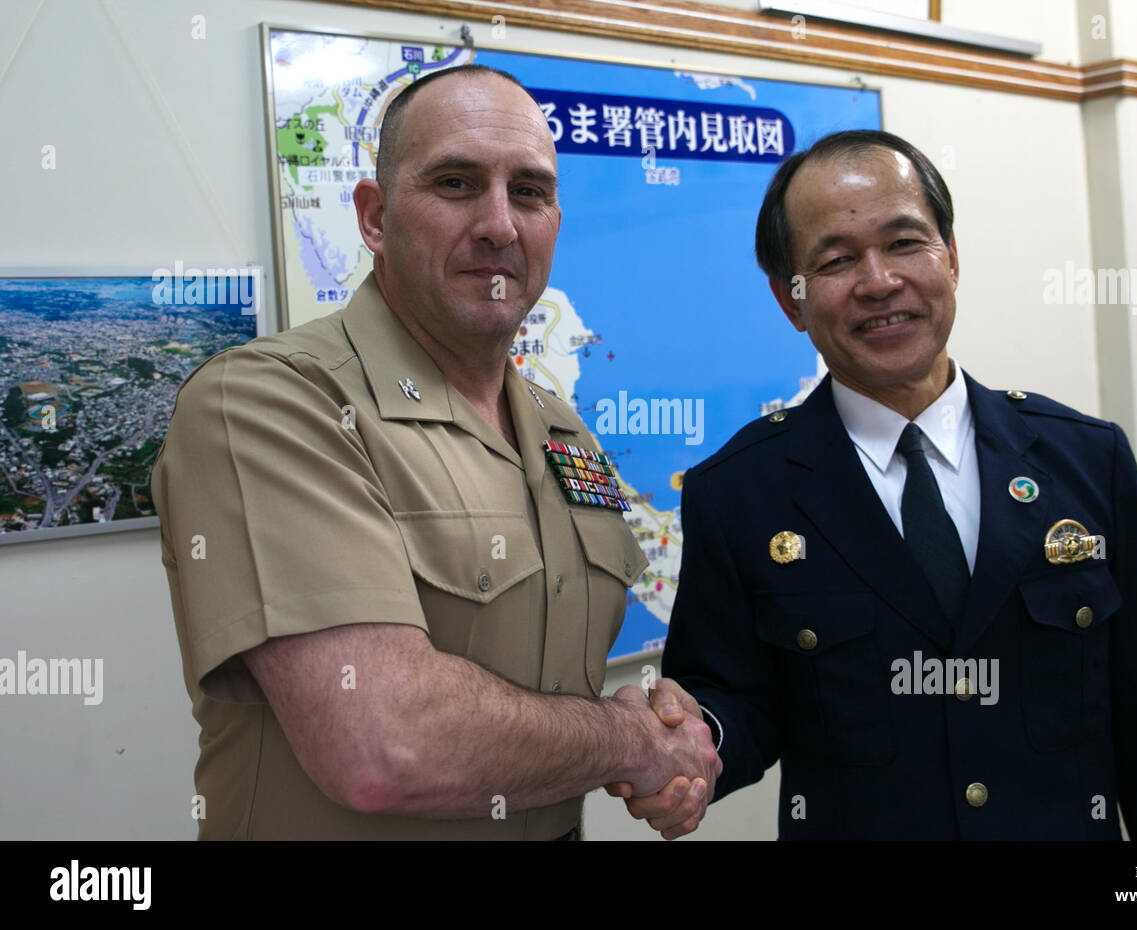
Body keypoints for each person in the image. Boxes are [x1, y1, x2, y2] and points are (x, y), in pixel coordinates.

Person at [152, 65, 719, 840]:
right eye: (455, 183)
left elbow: (556, 682)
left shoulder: (562, 431)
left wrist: (662, 723)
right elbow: (384, 745)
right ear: (376, 217)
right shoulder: (268, 403)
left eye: (529, 192)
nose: (499, 224)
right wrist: (630, 743)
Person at [617, 129, 1137, 839]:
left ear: (952, 257)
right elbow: (734, 700)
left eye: (906, 243)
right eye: (838, 260)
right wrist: (690, 749)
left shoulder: (1087, 461)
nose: (879, 282)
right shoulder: (740, 492)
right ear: (792, 300)